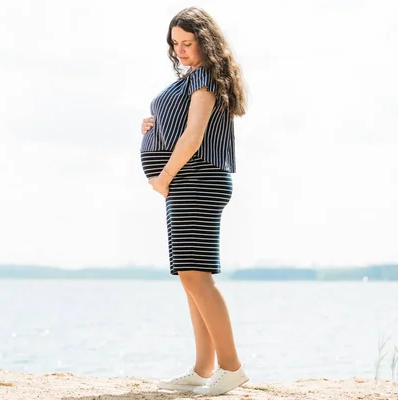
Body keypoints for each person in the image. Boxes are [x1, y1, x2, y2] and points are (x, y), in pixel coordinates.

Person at [139, 7, 248, 396]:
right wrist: (152, 126)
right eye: (175, 44)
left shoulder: (205, 78)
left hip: (196, 181)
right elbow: (180, 127)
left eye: (188, 43)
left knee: (196, 277)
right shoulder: (194, 78)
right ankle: (202, 369)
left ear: (206, 40)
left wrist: (164, 177)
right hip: (187, 183)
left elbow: (195, 137)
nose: (181, 50)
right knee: (190, 278)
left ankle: (231, 367)